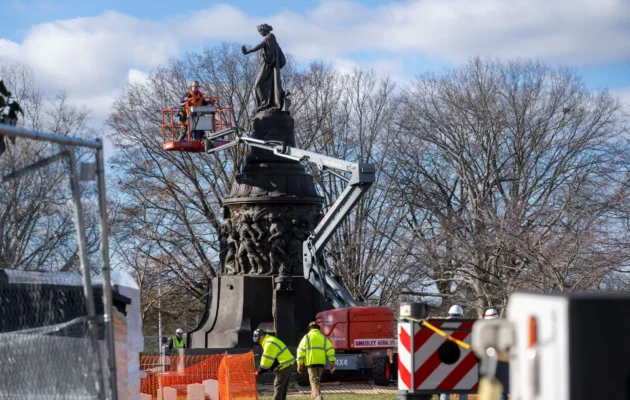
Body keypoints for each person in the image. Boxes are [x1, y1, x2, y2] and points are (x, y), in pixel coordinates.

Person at [296, 321, 336, 400]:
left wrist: (299, 364)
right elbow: (330, 350)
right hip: (321, 363)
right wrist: (332, 362)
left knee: (313, 381)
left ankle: (318, 397)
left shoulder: (306, 337)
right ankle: (314, 397)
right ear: (318, 329)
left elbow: (300, 351)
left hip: (311, 363)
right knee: (317, 381)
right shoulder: (323, 338)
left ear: (309, 329)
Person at [253, 328, 295, 400]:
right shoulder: (270, 340)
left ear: (262, 336)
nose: (259, 342)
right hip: (287, 365)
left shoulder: (269, 343)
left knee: (278, 387)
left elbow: (266, 362)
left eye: (259, 340)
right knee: (282, 388)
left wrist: (258, 372)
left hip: (283, 366)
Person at [440, 306, 467, 400]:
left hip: (445, 358)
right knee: (463, 386)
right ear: (460, 313)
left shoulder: (442, 324)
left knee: (445, 386)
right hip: (460, 357)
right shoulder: (464, 324)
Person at [483, 308, 508, 400]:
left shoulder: (483, 330)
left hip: (488, 362)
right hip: (501, 362)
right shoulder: (503, 329)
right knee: (501, 388)